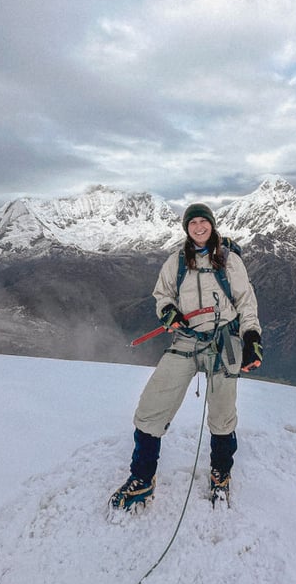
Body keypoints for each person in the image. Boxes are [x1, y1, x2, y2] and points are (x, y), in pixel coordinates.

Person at [109, 203, 262, 510]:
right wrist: (167, 311)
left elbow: (246, 302)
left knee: (222, 413)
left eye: (204, 222)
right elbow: (162, 294)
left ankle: (221, 473)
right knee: (152, 407)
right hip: (188, 339)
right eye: (193, 223)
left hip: (225, 339)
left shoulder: (230, 261)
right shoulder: (176, 261)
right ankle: (142, 478)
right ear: (187, 228)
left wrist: (252, 337)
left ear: (213, 225)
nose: (199, 227)